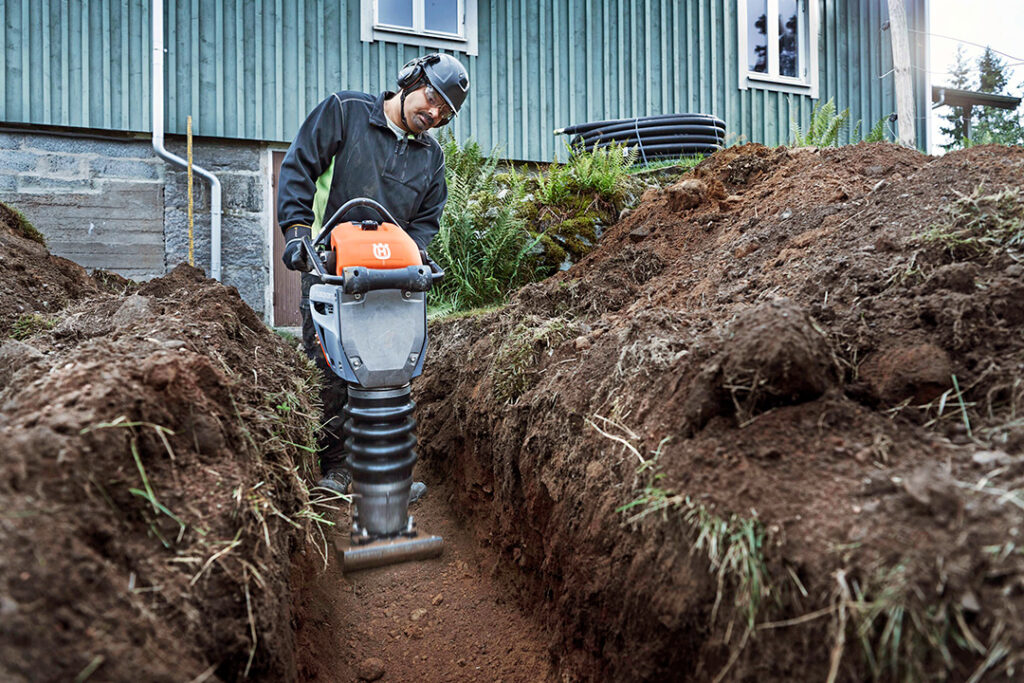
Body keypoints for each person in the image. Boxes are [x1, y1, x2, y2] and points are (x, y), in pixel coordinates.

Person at [276, 53, 470, 500]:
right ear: (410, 79)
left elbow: (426, 220)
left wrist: (415, 256)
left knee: (391, 368)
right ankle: (339, 465)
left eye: (446, 111)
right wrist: (297, 234)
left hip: (391, 277)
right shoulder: (344, 113)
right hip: (331, 268)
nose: (435, 112)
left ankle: (389, 468)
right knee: (332, 367)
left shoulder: (432, 158)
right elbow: (299, 168)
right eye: (432, 96)